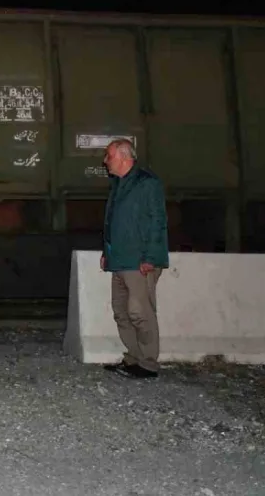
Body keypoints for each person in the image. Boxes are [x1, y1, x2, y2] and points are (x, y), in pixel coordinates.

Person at [100, 138, 169, 380]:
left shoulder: (147, 183)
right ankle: (133, 357)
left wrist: (151, 256)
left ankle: (149, 363)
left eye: (108, 156)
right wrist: (106, 252)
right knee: (121, 312)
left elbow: (157, 222)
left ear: (123, 156)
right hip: (119, 260)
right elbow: (114, 222)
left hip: (139, 261)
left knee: (140, 312)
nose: (105, 161)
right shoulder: (119, 184)